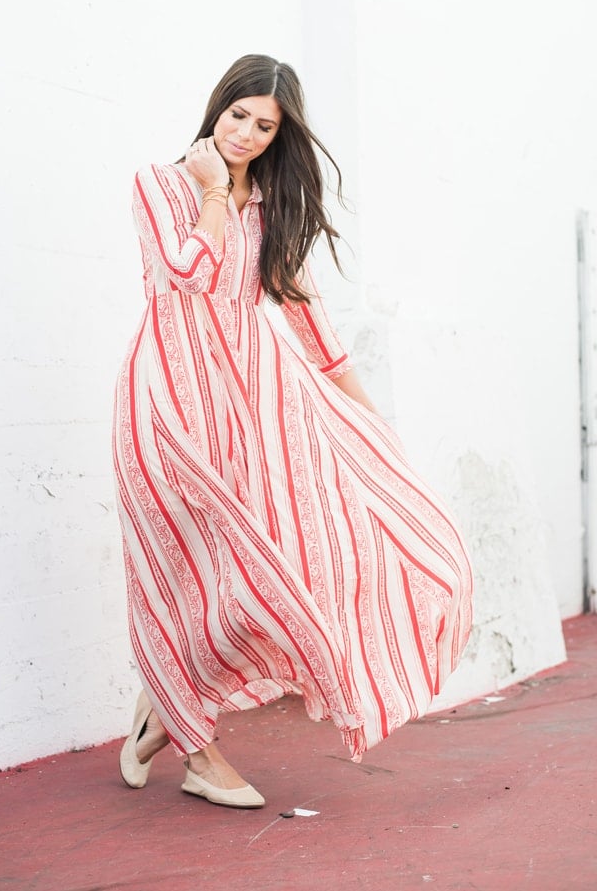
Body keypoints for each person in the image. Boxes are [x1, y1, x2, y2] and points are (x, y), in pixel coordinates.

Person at [112, 54, 473, 809]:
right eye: (238, 114)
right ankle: (199, 751)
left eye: (264, 125)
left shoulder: (270, 210)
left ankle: (164, 710)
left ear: (280, 136)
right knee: (180, 571)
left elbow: (313, 325)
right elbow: (183, 272)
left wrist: (379, 434)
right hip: (169, 404)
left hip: (250, 411)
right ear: (218, 108)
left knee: (263, 572)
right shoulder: (160, 182)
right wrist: (213, 189)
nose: (245, 132)